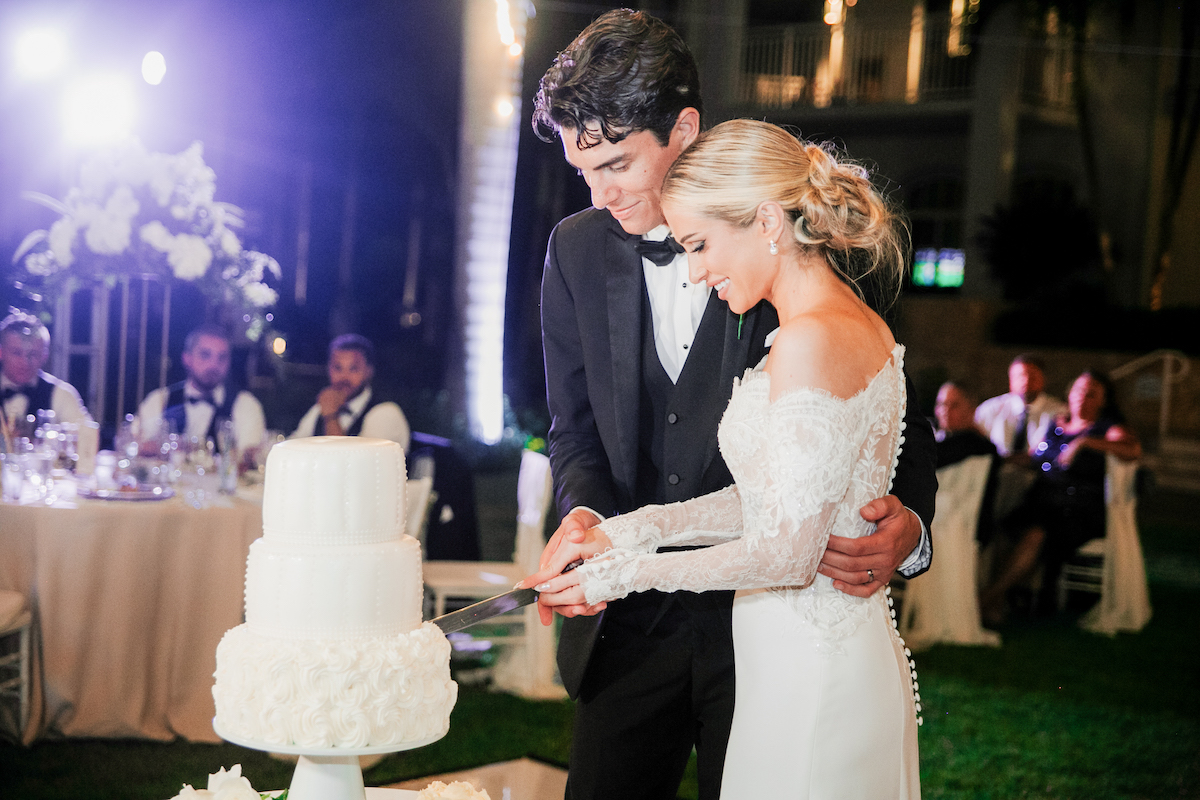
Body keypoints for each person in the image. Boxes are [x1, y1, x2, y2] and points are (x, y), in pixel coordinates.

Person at [529, 12, 935, 799]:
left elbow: (892, 422)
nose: (601, 193)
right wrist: (594, 522)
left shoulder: (803, 245)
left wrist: (910, 531)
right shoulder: (574, 250)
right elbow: (572, 429)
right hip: (629, 636)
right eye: (584, 171)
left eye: (617, 163)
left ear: (683, 129)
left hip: (768, 634)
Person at [979, 370, 1141, 621]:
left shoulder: (1107, 428)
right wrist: (997, 459)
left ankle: (984, 601)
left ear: (1103, 400)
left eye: (1090, 394)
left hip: (1079, 510)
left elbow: (1132, 450)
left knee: (1036, 534)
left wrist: (1084, 443)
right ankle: (1000, 603)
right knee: (1004, 524)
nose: (1081, 397)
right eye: (1078, 390)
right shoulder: (1057, 424)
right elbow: (1035, 458)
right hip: (1043, 500)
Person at [139, 324, 266, 454]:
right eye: (205, 355)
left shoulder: (245, 404)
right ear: (187, 358)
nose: (214, 365)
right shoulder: (160, 399)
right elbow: (135, 443)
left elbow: (249, 455)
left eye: (222, 357)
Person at [291, 334, 410, 449]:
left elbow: (357, 465)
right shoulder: (320, 408)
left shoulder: (385, 413)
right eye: (338, 368)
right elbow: (292, 445)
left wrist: (331, 417)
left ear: (369, 371)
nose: (344, 377)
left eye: (353, 369)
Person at [0, 310, 91, 435]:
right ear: (1, 352)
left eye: (33, 354)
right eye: (17, 353)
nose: (25, 362)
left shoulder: (62, 394)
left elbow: (86, 439)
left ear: (45, 356)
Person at [934, 381, 999, 546]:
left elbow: (934, 459)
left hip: (961, 533)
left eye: (954, 406)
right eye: (942, 404)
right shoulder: (943, 439)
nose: (945, 411)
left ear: (971, 410)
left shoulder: (976, 445)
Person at [975, 354, 1066, 459]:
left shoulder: (1058, 412)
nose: (1026, 381)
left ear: (1043, 379)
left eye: (1032, 376)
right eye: (1020, 376)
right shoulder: (989, 409)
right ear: (1010, 380)